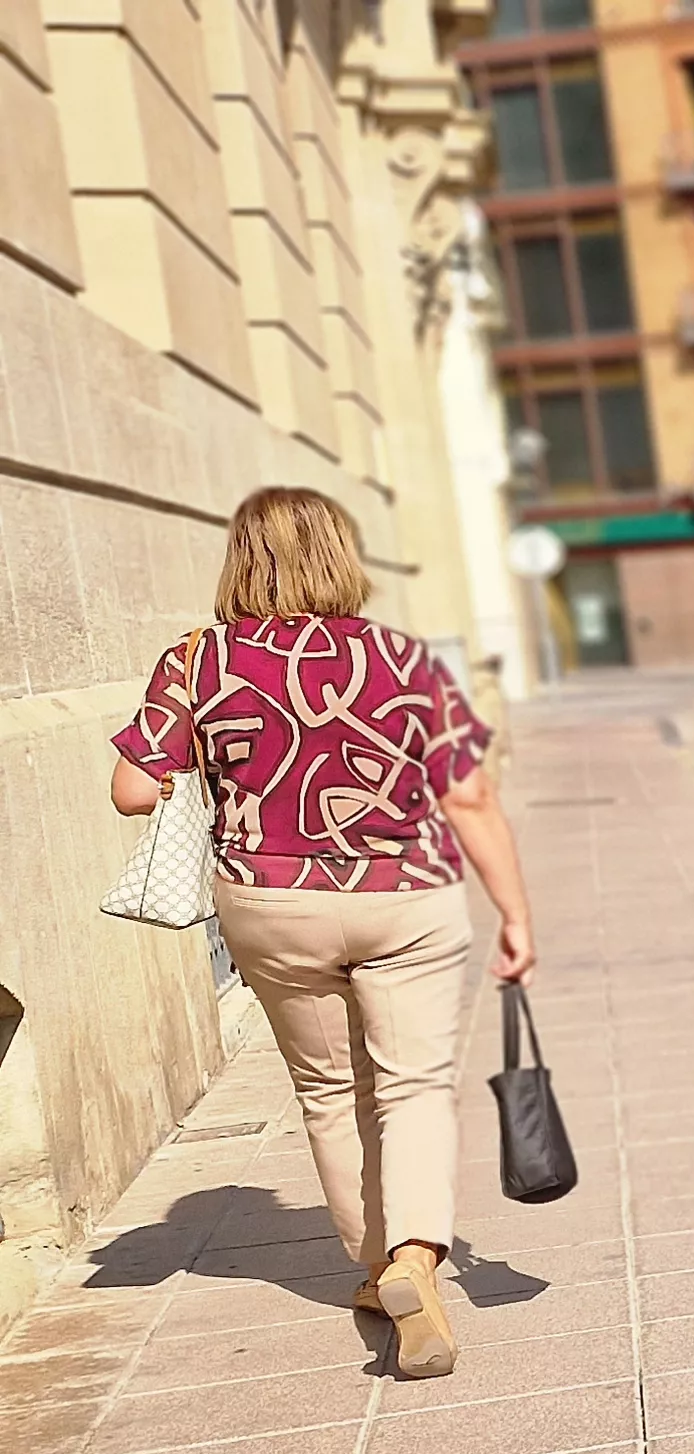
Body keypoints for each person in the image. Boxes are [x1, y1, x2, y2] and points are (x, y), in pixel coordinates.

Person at [110, 487, 539, 1379]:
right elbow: (468, 792)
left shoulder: (196, 661)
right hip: (404, 895)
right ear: (344, 556)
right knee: (414, 1083)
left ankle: (378, 1266)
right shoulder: (401, 657)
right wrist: (516, 913)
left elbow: (133, 790)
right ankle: (418, 1255)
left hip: (271, 903)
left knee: (327, 1089)